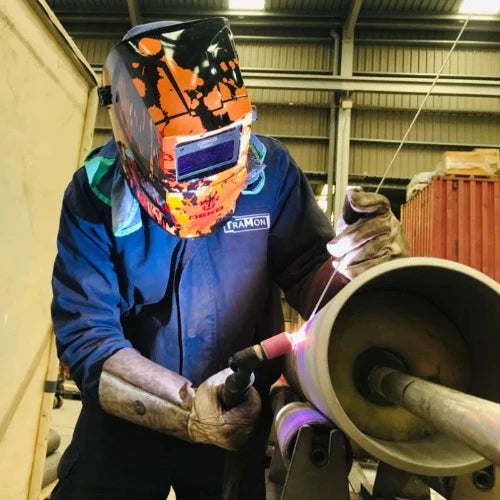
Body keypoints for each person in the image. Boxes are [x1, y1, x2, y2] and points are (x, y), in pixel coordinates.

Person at [50, 17, 408, 500]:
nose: (209, 183)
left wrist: (361, 269)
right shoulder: (95, 193)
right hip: (127, 417)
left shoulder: (270, 171)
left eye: (224, 148)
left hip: (241, 408)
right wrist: (182, 408)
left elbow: (308, 272)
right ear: (135, 139)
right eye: (189, 161)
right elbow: (87, 333)